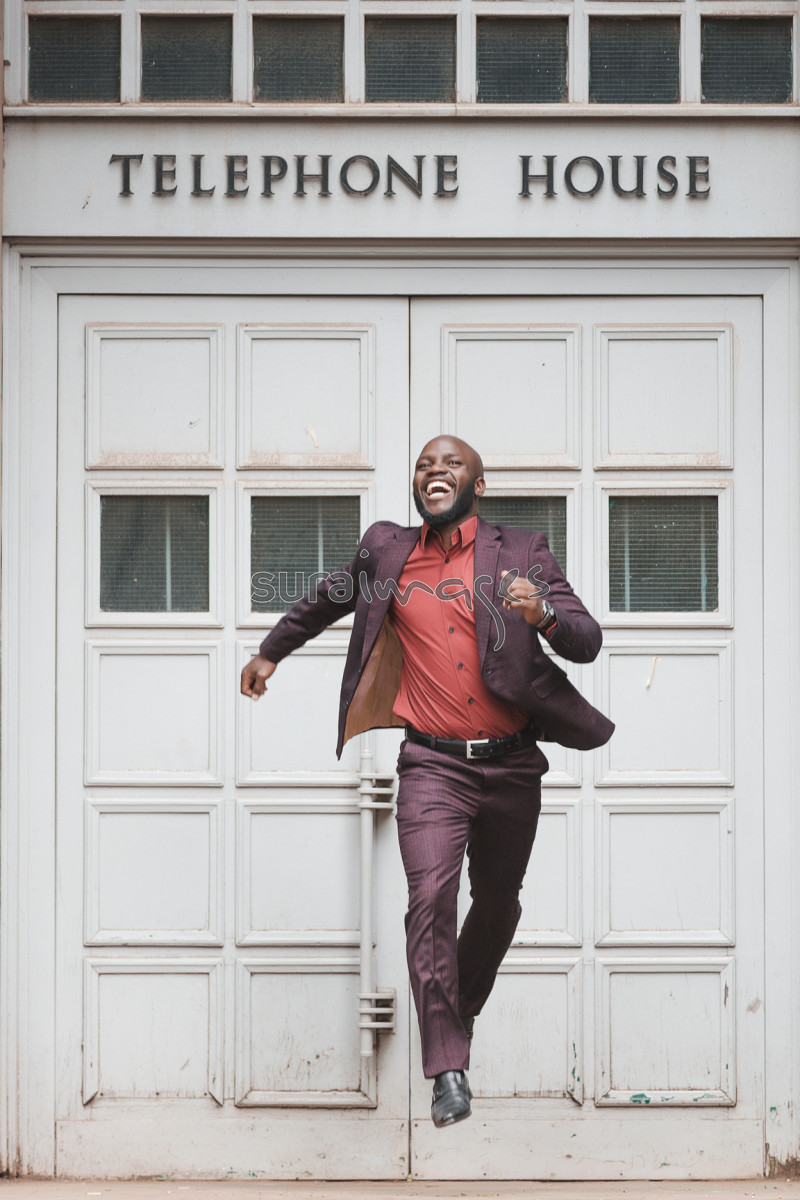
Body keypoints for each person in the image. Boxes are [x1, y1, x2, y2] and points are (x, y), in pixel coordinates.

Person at [241, 435, 614, 1128]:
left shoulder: (523, 550)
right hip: (432, 764)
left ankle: (456, 1012)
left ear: (479, 482)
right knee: (430, 899)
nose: (434, 471)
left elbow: (586, 639)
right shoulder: (387, 551)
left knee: (497, 903)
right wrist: (271, 652)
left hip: (512, 764)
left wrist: (543, 614)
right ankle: (447, 1069)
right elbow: (326, 599)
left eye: (451, 464)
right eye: (424, 465)